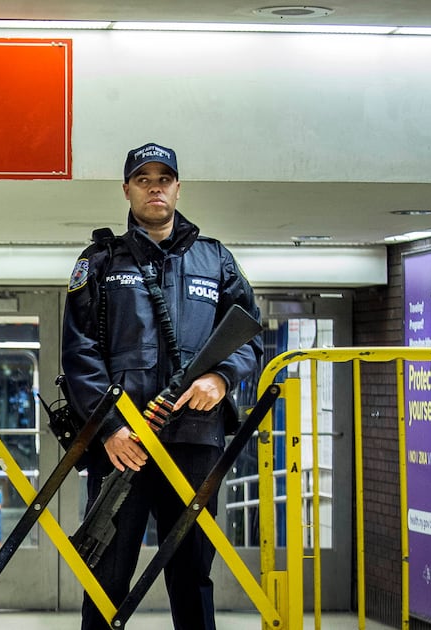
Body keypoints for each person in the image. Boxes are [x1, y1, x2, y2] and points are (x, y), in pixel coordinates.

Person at [61, 142, 263, 630]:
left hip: (195, 441)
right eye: (144, 178)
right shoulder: (100, 262)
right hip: (122, 445)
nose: (155, 187)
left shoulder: (216, 260)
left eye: (164, 178)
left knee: (193, 573)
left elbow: (249, 335)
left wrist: (220, 376)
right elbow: (79, 354)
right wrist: (109, 429)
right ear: (127, 189)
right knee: (106, 575)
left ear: (178, 186)